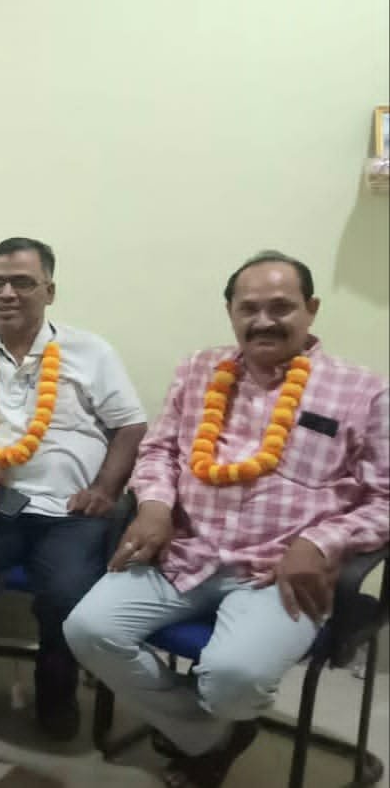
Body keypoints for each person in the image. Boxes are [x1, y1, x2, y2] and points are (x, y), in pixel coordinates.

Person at [65, 252, 389, 788]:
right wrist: (154, 505)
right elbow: (160, 451)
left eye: (281, 307)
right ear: (231, 312)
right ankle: (212, 735)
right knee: (87, 630)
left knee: (233, 676)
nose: (264, 321)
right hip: (185, 550)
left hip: (278, 573)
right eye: (249, 308)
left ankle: (206, 727)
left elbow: (384, 497)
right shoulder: (199, 370)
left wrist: (320, 541)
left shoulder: (364, 392)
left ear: (311, 309)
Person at [0, 237, 149, 741]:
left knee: (68, 594)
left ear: (50, 290)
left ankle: (56, 694)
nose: (6, 293)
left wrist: (106, 488)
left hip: (71, 510)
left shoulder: (91, 352)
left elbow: (131, 426)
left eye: (22, 282)